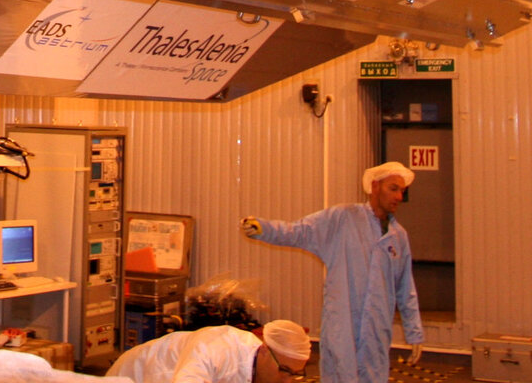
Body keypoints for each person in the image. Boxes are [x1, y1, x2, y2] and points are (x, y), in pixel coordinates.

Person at [240, 162, 425, 383]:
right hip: (342, 325)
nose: (399, 197)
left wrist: (414, 332)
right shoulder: (343, 219)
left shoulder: (398, 237)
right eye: (393, 188)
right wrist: (264, 229)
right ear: (375, 187)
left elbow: (405, 288)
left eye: (402, 191)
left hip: (376, 331)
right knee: (339, 375)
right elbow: (300, 231)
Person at [107, 320, 311, 383]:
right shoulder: (217, 348)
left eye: (296, 374)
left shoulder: (259, 367)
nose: (288, 380)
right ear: (265, 350)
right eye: (285, 370)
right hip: (137, 376)